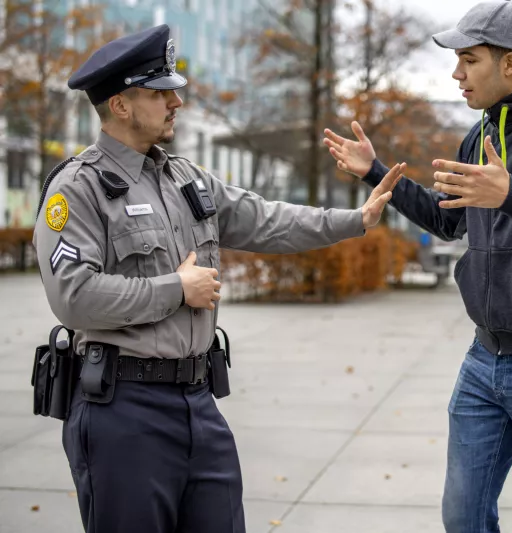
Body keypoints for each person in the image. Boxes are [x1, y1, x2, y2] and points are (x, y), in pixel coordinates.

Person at [32, 24, 404, 533]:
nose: (176, 102)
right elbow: (74, 297)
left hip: (198, 403)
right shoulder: (78, 189)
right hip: (123, 413)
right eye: (161, 92)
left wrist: (354, 220)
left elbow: (267, 219)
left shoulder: (184, 178)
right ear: (120, 105)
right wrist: (175, 289)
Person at [323, 1, 512, 531]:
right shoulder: (481, 133)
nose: (456, 74)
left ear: (509, 64)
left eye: (469, 60)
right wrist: (376, 172)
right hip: (484, 359)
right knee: (464, 516)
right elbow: (450, 219)